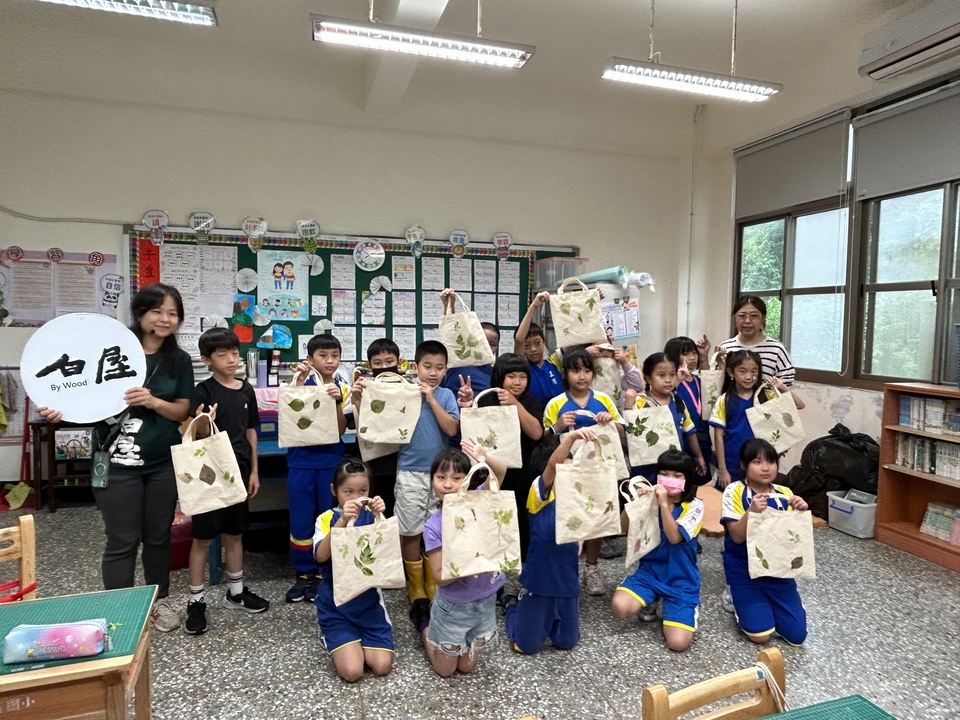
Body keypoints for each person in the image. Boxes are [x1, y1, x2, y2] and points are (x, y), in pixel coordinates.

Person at [38, 283, 194, 632]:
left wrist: (153, 401)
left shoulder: (179, 361)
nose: (165, 319)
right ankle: (119, 609)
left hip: (162, 463)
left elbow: (182, 410)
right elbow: (78, 398)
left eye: (173, 313)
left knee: (158, 536)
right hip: (112, 463)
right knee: (122, 539)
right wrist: (58, 411)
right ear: (139, 314)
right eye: (157, 311)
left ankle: (158, 602)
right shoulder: (107, 351)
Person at [185, 328, 269, 635]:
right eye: (223, 355)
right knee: (203, 538)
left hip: (239, 472)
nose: (232, 359)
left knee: (235, 534)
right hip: (209, 475)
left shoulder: (246, 390)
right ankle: (196, 600)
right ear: (207, 360)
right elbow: (191, 433)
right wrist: (204, 420)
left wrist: (254, 471)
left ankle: (236, 592)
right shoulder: (203, 391)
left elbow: (251, 431)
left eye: (235, 353)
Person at [414, 441, 507, 677]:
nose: (448, 484)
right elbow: (439, 577)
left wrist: (484, 458)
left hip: (485, 599)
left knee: (466, 667)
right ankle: (426, 626)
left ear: (468, 479)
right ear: (432, 481)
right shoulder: (434, 526)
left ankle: (449, 639)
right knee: (445, 671)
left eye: (457, 478)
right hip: (453, 605)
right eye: (440, 477)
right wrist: (468, 565)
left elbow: (501, 472)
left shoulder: (480, 500)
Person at [388, 341, 467, 606]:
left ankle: (434, 579)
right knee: (410, 529)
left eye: (439, 367)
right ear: (415, 366)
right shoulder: (404, 392)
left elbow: (452, 429)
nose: (433, 373)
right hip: (409, 471)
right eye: (427, 366)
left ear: (446, 369)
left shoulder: (446, 395)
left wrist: (432, 399)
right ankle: (415, 584)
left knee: (439, 527)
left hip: (441, 476)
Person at [503, 429, 594, 655]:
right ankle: (512, 605)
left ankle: (544, 620)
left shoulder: (576, 498)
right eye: (564, 470)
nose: (569, 475)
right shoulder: (539, 495)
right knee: (525, 646)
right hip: (539, 582)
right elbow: (553, 466)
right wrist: (570, 438)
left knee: (567, 641)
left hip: (567, 582)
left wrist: (581, 541)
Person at [542, 349, 624, 596]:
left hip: (598, 470)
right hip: (568, 472)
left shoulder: (603, 399)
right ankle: (567, 570)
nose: (582, 376)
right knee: (570, 517)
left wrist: (609, 421)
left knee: (596, 518)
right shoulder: (556, 403)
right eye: (576, 370)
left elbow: (622, 431)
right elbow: (545, 440)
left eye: (587, 370)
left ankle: (592, 567)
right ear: (565, 374)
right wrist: (557, 427)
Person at [611, 450, 704, 653]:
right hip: (650, 573)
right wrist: (634, 504)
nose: (669, 479)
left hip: (681, 580)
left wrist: (662, 504)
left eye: (677, 476)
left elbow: (674, 538)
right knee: (620, 607)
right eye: (664, 474)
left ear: (687, 480)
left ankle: (682, 606)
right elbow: (622, 528)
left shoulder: (695, 507)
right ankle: (651, 598)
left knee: (678, 644)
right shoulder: (649, 498)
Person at [720, 439, 809, 645]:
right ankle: (735, 594)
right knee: (760, 636)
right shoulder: (735, 491)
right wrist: (751, 512)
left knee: (797, 636)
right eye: (757, 462)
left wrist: (801, 510)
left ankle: (773, 605)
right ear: (743, 465)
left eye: (771, 461)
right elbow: (736, 536)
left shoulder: (785, 494)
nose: (766, 468)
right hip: (745, 570)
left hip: (779, 571)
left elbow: (793, 538)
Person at [312, 459, 393, 682]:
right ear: (334, 490)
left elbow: (386, 551)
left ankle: (357, 640)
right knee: (352, 672)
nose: (356, 497)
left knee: (381, 666)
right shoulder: (325, 519)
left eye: (363, 491)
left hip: (368, 603)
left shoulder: (372, 515)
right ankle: (331, 635)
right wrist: (342, 521)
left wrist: (380, 516)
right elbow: (320, 556)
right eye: (348, 492)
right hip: (336, 605)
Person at [285, 334, 351, 603]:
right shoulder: (298, 384)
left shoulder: (341, 388)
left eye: (335, 355)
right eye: (323, 355)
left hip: (330, 463)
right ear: (310, 359)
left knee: (329, 518)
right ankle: (303, 574)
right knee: (300, 520)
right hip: (300, 462)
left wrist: (336, 402)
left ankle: (325, 573)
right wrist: (299, 384)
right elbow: (289, 418)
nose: (330, 361)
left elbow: (341, 430)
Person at [475, 353, 544, 559]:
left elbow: (536, 433)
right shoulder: (486, 399)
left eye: (522, 377)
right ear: (499, 377)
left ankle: (520, 563)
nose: (517, 382)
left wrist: (515, 404)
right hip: (491, 474)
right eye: (511, 376)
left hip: (523, 475)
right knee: (492, 521)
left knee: (521, 523)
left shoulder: (530, 402)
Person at [709, 350, 804, 490]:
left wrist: (781, 386)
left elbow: (799, 404)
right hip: (731, 462)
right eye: (742, 371)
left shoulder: (765, 395)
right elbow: (718, 436)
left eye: (754, 371)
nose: (749, 376)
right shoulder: (725, 400)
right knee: (729, 497)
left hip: (760, 462)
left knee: (757, 497)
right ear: (731, 372)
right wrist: (722, 469)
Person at [624, 353, 707, 482]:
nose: (668, 380)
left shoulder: (678, 402)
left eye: (672, 374)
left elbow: (690, 433)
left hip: (673, 469)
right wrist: (628, 406)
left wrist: (699, 456)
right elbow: (629, 434)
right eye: (661, 375)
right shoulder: (640, 401)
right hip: (645, 470)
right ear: (648, 378)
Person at [351, 338, 402, 516]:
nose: (384, 366)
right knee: (375, 508)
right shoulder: (365, 388)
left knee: (396, 510)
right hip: (373, 461)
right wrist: (357, 400)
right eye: (377, 363)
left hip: (400, 461)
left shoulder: (407, 389)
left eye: (389, 361)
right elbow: (361, 423)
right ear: (370, 365)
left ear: (398, 362)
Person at [664, 336, 715, 477]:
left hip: (704, 437)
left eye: (694, 353)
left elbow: (709, 381)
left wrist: (704, 357)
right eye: (685, 354)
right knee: (682, 477)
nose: (692, 357)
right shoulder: (671, 382)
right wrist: (677, 379)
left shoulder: (698, 379)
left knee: (703, 476)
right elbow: (666, 395)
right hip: (683, 439)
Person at [718, 296, 795, 386]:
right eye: (742, 316)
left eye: (754, 316)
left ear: (763, 319)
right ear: (735, 318)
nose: (747, 321)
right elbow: (716, 383)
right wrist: (707, 358)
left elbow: (786, 386)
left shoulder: (777, 349)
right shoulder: (725, 347)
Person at [440, 288, 500, 397]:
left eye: (492, 344)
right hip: (454, 408)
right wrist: (449, 305)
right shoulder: (458, 360)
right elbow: (451, 333)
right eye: (484, 341)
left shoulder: (495, 372)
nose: (487, 347)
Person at [514, 292, 564, 409]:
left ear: (544, 342)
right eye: (527, 346)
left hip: (559, 416)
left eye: (537, 343)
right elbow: (519, 340)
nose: (533, 349)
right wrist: (534, 306)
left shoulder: (555, 362)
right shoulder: (522, 366)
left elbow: (574, 337)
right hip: (533, 416)